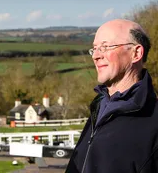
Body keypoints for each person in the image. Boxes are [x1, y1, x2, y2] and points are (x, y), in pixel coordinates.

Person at [66, 19, 157, 173]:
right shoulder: (99, 107)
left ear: (136, 53)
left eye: (105, 47)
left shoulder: (153, 120)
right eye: (94, 49)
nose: (96, 56)